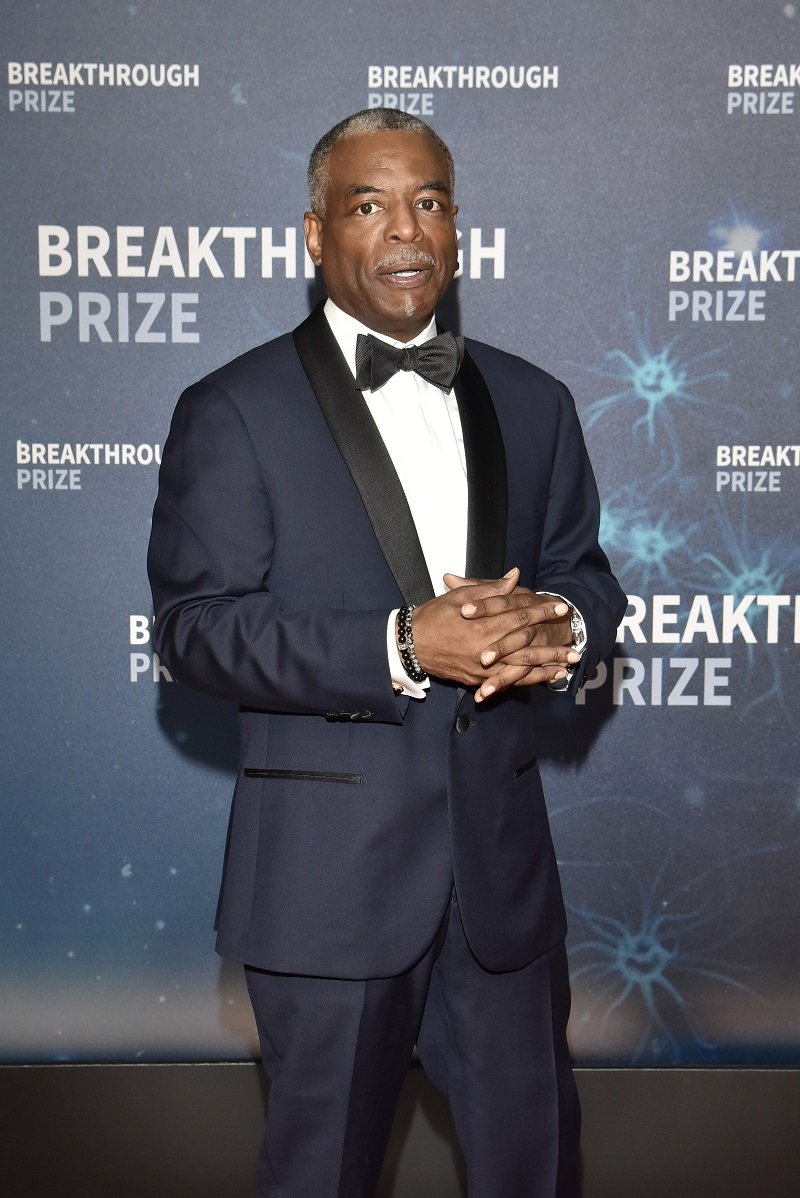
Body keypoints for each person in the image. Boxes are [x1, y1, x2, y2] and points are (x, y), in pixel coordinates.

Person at [148, 108, 627, 1198]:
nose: (403, 229)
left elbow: (586, 574)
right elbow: (193, 629)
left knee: (536, 1170)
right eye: (368, 205)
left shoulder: (535, 401)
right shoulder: (232, 409)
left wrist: (564, 623)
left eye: (427, 202)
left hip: (499, 891)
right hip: (326, 890)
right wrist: (400, 643)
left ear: (456, 227)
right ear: (314, 235)